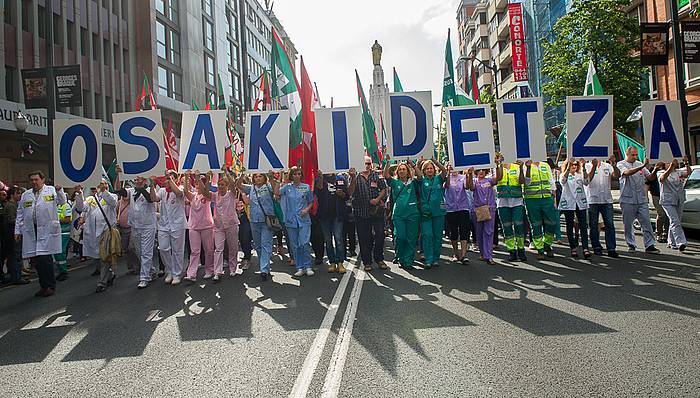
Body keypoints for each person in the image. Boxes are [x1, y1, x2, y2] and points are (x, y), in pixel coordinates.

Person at [15, 171, 67, 297]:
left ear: (42, 180)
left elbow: (62, 201)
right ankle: (43, 286)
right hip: (31, 232)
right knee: (37, 262)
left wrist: (59, 190)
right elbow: (20, 213)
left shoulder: (51, 190)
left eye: (36, 179)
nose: (34, 182)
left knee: (45, 260)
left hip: (47, 231)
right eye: (32, 180)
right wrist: (17, 231)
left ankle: (50, 286)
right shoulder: (26, 195)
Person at [115, 167, 160, 288]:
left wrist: (151, 183)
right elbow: (118, 190)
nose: (136, 178)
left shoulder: (150, 190)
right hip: (135, 226)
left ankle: (144, 278)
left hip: (148, 226)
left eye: (139, 177)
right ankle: (151, 271)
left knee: (146, 252)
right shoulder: (131, 191)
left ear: (144, 179)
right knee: (140, 252)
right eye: (135, 177)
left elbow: (151, 199)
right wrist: (119, 174)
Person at [74, 179, 118, 292]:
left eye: (104, 183)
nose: (101, 185)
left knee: (104, 257)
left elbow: (113, 203)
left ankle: (102, 283)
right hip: (92, 234)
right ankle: (110, 274)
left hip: (105, 232)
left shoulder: (111, 196)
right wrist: (79, 193)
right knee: (96, 257)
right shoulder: (90, 199)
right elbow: (80, 208)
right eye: (100, 183)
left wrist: (104, 191)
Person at [617, 148, 661, 253]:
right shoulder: (621, 164)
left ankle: (650, 245)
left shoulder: (639, 163)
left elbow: (649, 177)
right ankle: (631, 244)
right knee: (628, 223)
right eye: (633, 155)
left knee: (646, 222)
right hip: (627, 199)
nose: (635, 157)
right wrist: (642, 166)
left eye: (636, 154)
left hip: (641, 198)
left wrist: (654, 170)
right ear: (627, 154)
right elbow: (627, 173)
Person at [348, 157, 388, 272]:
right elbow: (350, 192)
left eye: (369, 163)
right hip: (361, 212)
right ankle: (367, 262)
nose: (367, 165)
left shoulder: (376, 175)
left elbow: (384, 189)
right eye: (364, 163)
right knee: (364, 238)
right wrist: (353, 178)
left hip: (376, 211)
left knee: (380, 234)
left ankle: (379, 258)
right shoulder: (355, 176)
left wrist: (378, 199)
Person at [238, 172, 278, 281]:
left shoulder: (268, 186)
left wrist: (271, 178)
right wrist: (242, 175)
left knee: (265, 243)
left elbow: (276, 191)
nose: (258, 178)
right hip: (254, 220)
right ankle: (264, 265)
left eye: (260, 176)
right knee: (258, 245)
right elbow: (238, 185)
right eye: (256, 176)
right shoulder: (251, 188)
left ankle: (264, 269)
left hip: (266, 220)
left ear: (264, 177)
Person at [149, 170, 187, 285]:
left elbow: (179, 194)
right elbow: (154, 199)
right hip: (164, 225)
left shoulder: (180, 187)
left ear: (174, 179)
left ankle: (176, 274)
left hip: (178, 224)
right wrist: (151, 184)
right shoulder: (162, 191)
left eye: (169, 177)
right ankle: (170, 270)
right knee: (163, 248)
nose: (166, 180)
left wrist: (170, 180)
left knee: (177, 251)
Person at [277, 167, 315, 277]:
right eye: (295, 174)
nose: (297, 176)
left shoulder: (306, 187)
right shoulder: (287, 188)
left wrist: (307, 209)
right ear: (291, 176)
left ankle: (308, 266)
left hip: (303, 219)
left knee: (304, 243)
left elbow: (311, 201)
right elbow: (276, 193)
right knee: (295, 245)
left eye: (299, 174)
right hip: (290, 220)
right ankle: (300, 267)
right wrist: (278, 178)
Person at [384, 161, 420, 269]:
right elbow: (386, 175)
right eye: (400, 169)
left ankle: (408, 261)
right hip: (399, 215)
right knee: (400, 237)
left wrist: (413, 165)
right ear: (397, 172)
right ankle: (400, 257)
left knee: (411, 238)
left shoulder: (413, 182)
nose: (402, 171)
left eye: (404, 169)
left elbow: (420, 176)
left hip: (412, 214)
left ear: (408, 171)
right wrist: (388, 163)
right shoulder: (395, 183)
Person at [183, 171, 215, 282]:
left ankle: (209, 270)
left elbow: (205, 190)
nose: (197, 184)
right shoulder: (193, 196)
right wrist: (186, 178)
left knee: (209, 250)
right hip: (193, 227)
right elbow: (185, 191)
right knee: (194, 251)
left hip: (206, 226)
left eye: (199, 182)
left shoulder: (207, 195)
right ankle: (191, 274)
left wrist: (200, 178)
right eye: (196, 183)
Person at [415, 158, 447, 268]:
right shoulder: (421, 180)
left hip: (439, 212)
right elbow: (417, 173)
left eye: (431, 168)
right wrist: (415, 164)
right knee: (427, 235)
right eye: (427, 168)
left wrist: (435, 161)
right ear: (424, 170)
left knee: (437, 236)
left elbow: (444, 171)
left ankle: (435, 258)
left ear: (434, 169)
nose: (429, 170)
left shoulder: (439, 179)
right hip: (426, 213)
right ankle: (428, 259)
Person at [585, 156, 620, 258]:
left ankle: (611, 248)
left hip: (606, 200)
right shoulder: (587, 165)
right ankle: (596, 246)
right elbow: (587, 180)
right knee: (594, 225)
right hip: (592, 200)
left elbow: (616, 176)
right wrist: (594, 167)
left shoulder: (607, 165)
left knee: (609, 224)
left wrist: (614, 164)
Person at [315, 171, 349, 274]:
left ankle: (340, 262)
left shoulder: (340, 179)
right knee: (328, 240)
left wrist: (342, 194)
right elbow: (318, 192)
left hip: (337, 215)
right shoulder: (320, 179)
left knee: (338, 238)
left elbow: (347, 196)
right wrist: (320, 177)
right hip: (325, 215)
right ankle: (332, 262)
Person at [524, 159, 557, 260]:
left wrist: (554, 198)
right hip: (532, 200)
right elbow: (526, 183)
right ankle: (540, 249)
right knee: (536, 224)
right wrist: (528, 167)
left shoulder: (545, 165)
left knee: (552, 223)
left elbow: (551, 181)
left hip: (547, 198)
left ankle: (547, 244)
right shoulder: (525, 165)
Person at [495, 157, 527, 262]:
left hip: (516, 200)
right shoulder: (497, 166)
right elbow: (498, 179)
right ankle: (511, 250)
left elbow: (522, 181)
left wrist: (521, 168)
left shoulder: (516, 165)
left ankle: (521, 250)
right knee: (506, 226)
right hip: (503, 201)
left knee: (519, 225)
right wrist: (498, 165)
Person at [658, 156, 691, 252]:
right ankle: (681, 242)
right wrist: (670, 167)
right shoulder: (660, 172)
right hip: (667, 201)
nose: (671, 163)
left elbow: (688, 172)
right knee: (675, 220)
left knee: (676, 221)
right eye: (668, 162)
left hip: (679, 199)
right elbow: (662, 179)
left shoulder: (678, 172)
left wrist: (686, 162)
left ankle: (671, 242)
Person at [559, 159, 591, 258]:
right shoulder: (563, 174)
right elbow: (563, 181)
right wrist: (568, 169)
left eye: (576, 165)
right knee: (569, 225)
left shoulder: (580, 174)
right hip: (568, 203)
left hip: (580, 202)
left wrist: (584, 167)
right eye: (572, 165)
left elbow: (586, 182)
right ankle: (573, 247)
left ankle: (585, 248)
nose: (574, 166)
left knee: (583, 225)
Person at [466, 167, 497, 264]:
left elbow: (498, 178)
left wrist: (498, 165)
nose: (481, 172)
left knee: (489, 231)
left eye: (483, 170)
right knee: (479, 232)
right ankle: (483, 253)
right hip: (478, 210)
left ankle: (489, 256)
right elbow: (470, 187)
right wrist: (470, 174)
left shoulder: (489, 180)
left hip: (489, 208)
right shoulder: (474, 181)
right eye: (479, 170)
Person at [213, 169, 240, 277]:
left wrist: (226, 172)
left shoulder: (231, 194)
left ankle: (232, 268)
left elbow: (233, 185)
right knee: (218, 248)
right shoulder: (215, 195)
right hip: (219, 226)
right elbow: (205, 192)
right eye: (219, 185)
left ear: (227, 186)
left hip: (231, 224)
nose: (220, 187)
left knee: (233, 247)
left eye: (223, 185)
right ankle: (217, 271)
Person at [2, 186, 29, 285]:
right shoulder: (10, 206)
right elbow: (11, 221)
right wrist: (23, 222)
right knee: (15, 255)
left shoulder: (15, 205)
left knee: (15, 255)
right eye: (18, 193)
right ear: (12, 195)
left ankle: (15, 274)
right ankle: (16, 277)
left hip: (13, 234)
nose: (20, 195)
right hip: (12, 234)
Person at [444, 168, 471, 264]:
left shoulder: (463, 177)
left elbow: (468, 186)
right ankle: (456, 253)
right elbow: (446, 185)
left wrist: (469, 175)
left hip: (463, 207)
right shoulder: (447, 177)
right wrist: (447, 172)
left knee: (464, 231)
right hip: (451, 209)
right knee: (453, 232)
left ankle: (464, 255)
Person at [116, 189, 139, 275]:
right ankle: (131, 267)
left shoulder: (133, 202)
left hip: (132, 227)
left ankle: (137, 266)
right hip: (123, 228)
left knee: (131, 248)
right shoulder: (119, 202)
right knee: (125, 248)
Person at [54, 196, 73, 281]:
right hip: (56, 232)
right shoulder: (55, 206)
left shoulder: (66, 205)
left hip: (64, 232)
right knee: (57, 253)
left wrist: (55, 220)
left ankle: (64, 271)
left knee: (60, 252)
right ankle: (61, 270)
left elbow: (67, 219)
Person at [647, 175, 669, 243]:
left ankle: (666, 233)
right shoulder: (654, 171)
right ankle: (659, 233)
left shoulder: (670, 170)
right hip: (656, 195)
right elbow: (648, 182)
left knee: (667, 214)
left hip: (667, 195)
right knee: (661, 214)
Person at [236, 188, 253, 270]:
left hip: (247, 221)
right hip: (237, 223)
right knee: (241, 241)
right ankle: (246, 255)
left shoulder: (245, 195)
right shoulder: (233, 195)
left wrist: (243, 193)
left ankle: (247, 258)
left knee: (246, 240)